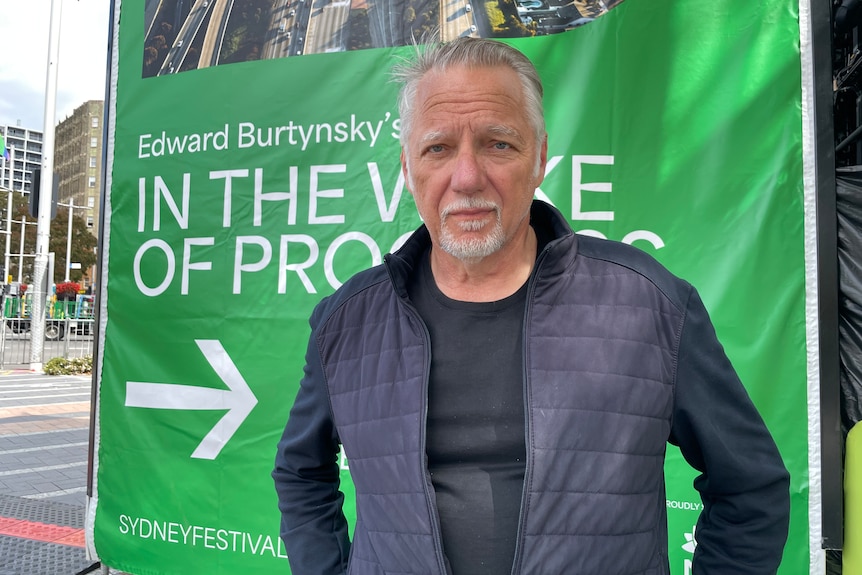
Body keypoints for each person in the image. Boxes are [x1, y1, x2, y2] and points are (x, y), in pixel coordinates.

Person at [273, 37, 790, 575]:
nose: (467, 177)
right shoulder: (347, 322)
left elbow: (749, 488)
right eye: (439, 148)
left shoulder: (648, 303)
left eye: (498, 144)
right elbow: (301, 472)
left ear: (539, 158)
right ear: (408, 169)